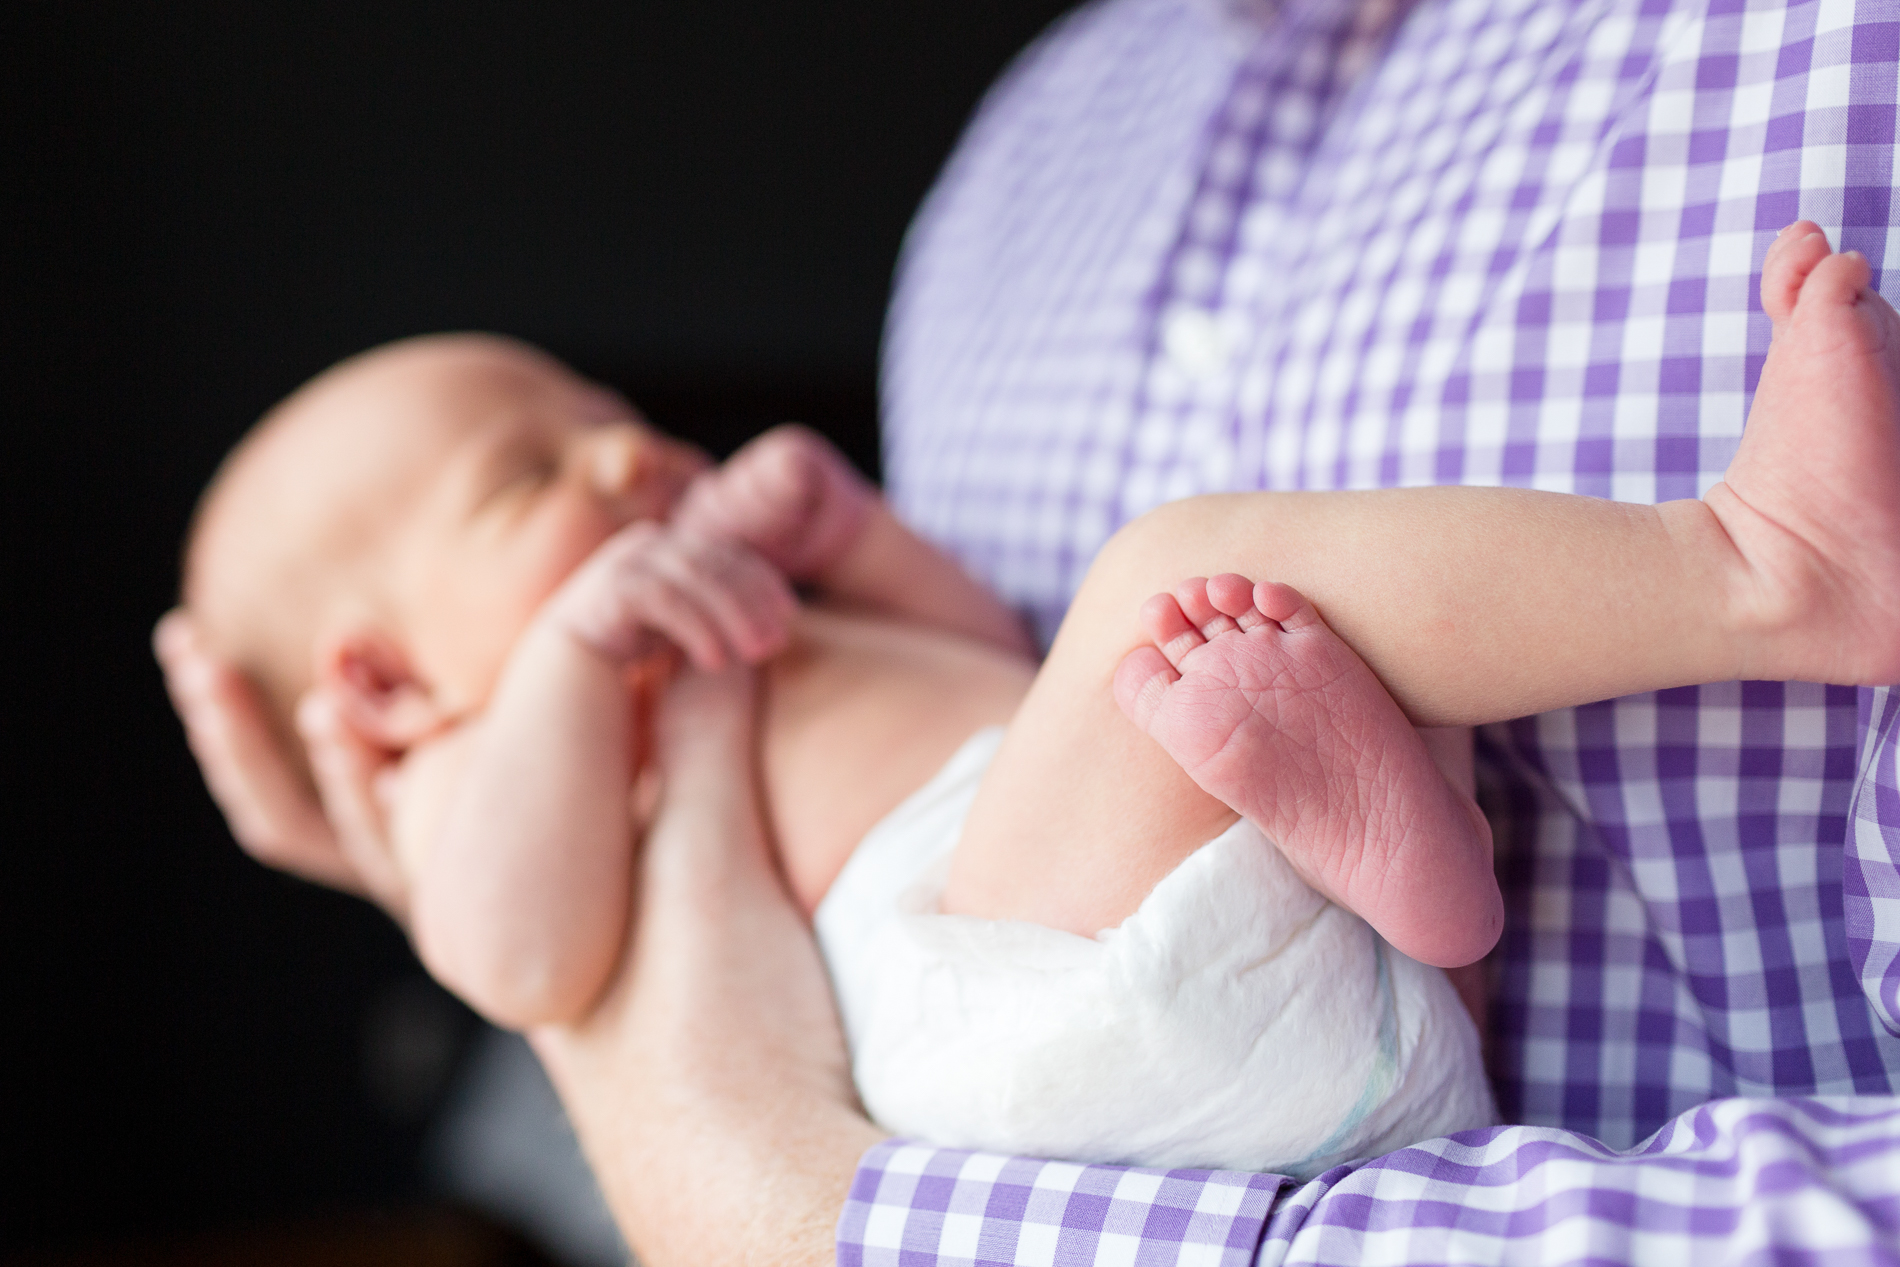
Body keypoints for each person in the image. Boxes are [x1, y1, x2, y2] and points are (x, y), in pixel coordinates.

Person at [159, 0, 1900, 1254]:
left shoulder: (764, 624)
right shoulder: (497, 753)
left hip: (1176, 1003)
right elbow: (523, 961)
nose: (622, 447)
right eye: (526, 470)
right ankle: (1764, 566)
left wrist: (861, 542)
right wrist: (556, 675)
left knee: (1248, 647)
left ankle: (1415, 874)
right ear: (385, 690)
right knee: (1179, 582)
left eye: (598, 405)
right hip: (1002, 1040)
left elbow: (995, 668)